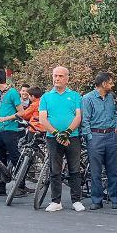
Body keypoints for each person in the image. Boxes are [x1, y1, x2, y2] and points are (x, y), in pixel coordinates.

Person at [38, 66, 86, 213]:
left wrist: (67, 132)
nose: (57, 78)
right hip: (53, 138)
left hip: (73, 137)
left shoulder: (75, 96)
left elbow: (78, 116)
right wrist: (57, 134)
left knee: (74, 169)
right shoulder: (46, 97)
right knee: (55, 170)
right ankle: (56, 201)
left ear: (67, 79)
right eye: (55, 75)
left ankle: (76, 200)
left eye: (60, 76)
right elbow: (42, 119)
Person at [81, 71, 117, 209]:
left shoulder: (110, 97)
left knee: (113, 170)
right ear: (104, 83)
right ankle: (97, 200)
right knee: (95, 171)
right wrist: (89, 137)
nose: (112, 85)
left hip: (111, 136)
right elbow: (85, 120)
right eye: (110, 82)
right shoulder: (88, 98)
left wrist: (116, 125)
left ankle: (115, 199)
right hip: (95, 136)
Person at [0, 69, 25, 198]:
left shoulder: (12, 92)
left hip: (10, 129)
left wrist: (5, 118)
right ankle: (1, 187)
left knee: (15, 156)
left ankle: (21, 186)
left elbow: (21, 112)